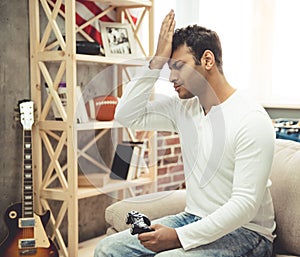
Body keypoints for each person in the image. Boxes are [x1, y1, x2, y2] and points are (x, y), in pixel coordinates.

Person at [94, 10, 276, 257]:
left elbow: (244, 205)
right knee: (107, 249)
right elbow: (125, 115)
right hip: (194, 217)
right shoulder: (184, 108)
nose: (171, 77)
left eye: (178, 66)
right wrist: (156, 60)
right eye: (168, 68)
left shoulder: (251, 119)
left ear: (208, 61)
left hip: (247, 232)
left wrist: (178, 237)